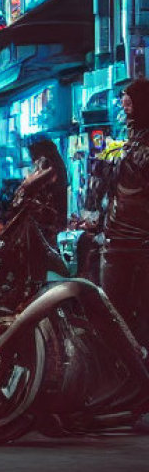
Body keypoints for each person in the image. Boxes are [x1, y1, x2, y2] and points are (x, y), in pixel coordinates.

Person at [102, 78, 149, 346]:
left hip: (141, 245)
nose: (124, 112)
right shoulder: (125, 146)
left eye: (129, 106)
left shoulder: (136, 149)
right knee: (113, 315)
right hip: (116, 242)